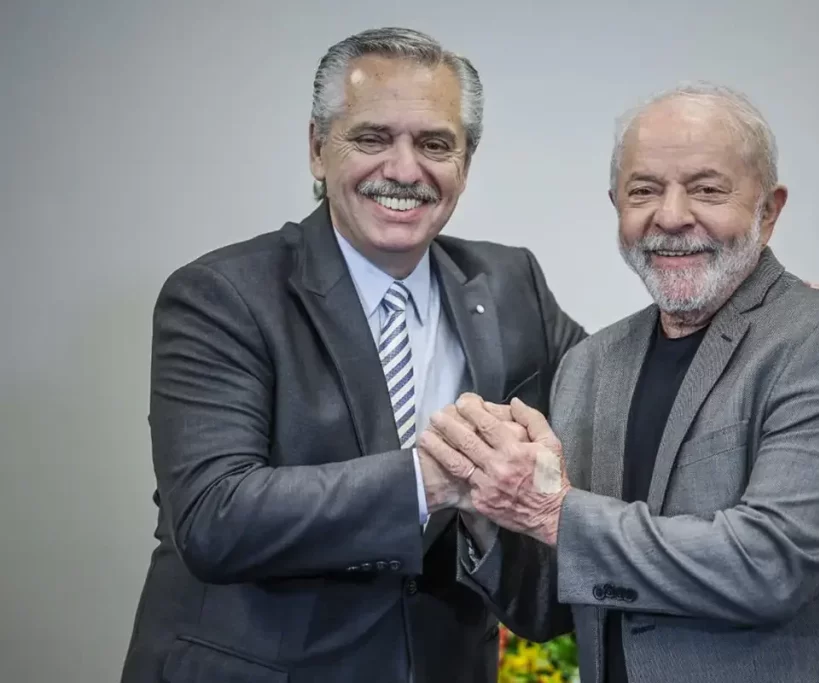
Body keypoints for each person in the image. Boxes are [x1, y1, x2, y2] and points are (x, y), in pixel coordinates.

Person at [118, 27, 588, 683]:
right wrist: (430, 480)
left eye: (435, 144)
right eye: (372, 138)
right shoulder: (220, 294)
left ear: (465, 162)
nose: (404, 170)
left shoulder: (513, 284)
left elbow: (610, 401)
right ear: (318, 148)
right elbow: (213, 516)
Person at [422, 83, 819, 682]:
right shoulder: (590, 364)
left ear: (769, 210)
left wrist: (551, 512)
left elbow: (770, 566)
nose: (670, 215)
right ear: (616, 206)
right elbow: (553, 606)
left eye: (707, 189)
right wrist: (484, 504)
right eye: (643, 190)